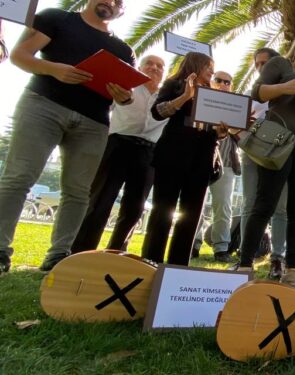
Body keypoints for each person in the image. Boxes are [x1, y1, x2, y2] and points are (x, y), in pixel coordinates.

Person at [0, 0, 135, 274]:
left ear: (121, 11)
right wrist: (55, 69)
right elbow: (19, 55)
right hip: (43, 106)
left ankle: (59, 255)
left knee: (78, 190)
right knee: (19, 177)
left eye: (118, 3)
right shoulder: (56, 18)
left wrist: (125, 97)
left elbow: (126, 92)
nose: (110, 3)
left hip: (94, 121)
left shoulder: (124, 50)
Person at [233, 32, 295, 292]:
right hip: (278, 142)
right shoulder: (281, 65)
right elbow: (257, 93)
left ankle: (291, 272)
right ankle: (245, 266)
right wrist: (285, 88)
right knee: (264, 203)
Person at [141, 52, 231, 266]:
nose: (211, 72)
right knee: (162, 210)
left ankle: (178, 265)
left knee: (191, 215)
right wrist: (185, 96)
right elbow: (158, 112)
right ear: (195, 65)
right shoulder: (174, 84)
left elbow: (216, 130)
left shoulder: (215, 93)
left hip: (202, 158)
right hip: (173, 154)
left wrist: (222, 131)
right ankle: (151, 260)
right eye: (208, 67)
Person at [70, 55, 167, 253]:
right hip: (118, 144)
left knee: (135, 208)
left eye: (160, 66)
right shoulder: (126, 87)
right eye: (149, 63)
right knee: (101, 201)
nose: (154, 68)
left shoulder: (166, 98)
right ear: (139, 66)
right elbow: (104, 108)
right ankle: (82, 250)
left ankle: (116, 251)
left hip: (149, 153)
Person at [239, 47, 290, 279]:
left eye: (265, 63)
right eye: (257, 64)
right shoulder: (250, 93)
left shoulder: (286, 94)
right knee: (250, 204)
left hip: (277, 153)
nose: (260, 67)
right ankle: (244, 257)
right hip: (251, 151)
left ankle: (277, 258)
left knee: (280, 208)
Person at [192, 70, 242, 263]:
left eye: (228, 82)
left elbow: (241, 134)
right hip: (201, 161)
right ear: (212, 81)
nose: (223, 84)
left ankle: (221, 248)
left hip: (227, 164)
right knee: (196, 204)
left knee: (223, 206)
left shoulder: (236, 107)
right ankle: (193, 243)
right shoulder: (203, 101)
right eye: (219, 80)